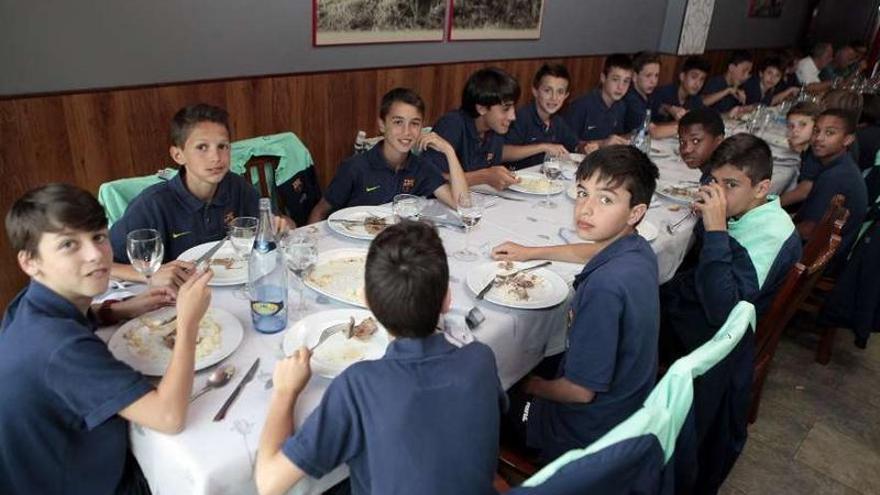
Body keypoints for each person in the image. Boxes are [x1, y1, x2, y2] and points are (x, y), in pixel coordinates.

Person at [255, 221, 506, 495]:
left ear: (365, 300)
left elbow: (269, 482)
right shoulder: (481, 358)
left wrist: (284, 392)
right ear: (447, 298)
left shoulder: (358, 385)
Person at [0, 183, 213, 495]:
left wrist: (118, 310)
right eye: (68, 245)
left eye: (98, 237)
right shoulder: (61, 348)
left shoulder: (29, 304)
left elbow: (73, 319)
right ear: (30, 262)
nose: (95, 255)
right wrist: (188, 321)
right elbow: (169, 417)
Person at [500, 145, 660, 462]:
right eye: (583, 192)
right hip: (627, 408)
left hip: (585, 433)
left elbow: (579, 392)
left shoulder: (605, 288)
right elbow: (594, 252)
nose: (585, 209)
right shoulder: (638, 250)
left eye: (606, 199)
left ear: (635, 212)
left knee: (488, 398)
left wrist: (530, 385)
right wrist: (530, 252)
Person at [660, 134, 802, 359]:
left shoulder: (770, 236)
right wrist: (709, 222)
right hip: (698, 301)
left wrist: (716, 229)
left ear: (761, 188)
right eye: (715, 181)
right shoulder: (752, 210)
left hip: (712, 341)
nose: (719, 193)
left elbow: (721, 312)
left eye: (731, 185)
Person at [109, 104, 264, 288]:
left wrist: (280, 225)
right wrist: (150, 275)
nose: (216, 157)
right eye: (202, 147)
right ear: (178, 155)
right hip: (176, 300)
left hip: (234, 288)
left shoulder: (236, 187)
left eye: (222, 146)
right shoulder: (153, 204)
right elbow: (103, 263)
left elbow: (271, 229)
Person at [307, 88, 468, 222]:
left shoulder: (421, 168)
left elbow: (463, 205)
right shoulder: (355, 168)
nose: (407, 132)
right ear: (382, 125)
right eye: (398, 122)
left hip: (398, 248)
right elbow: (320, 211)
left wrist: (449, 151)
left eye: (414, 123)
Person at [423, 67, 521, 190]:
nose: (513, 116)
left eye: (513, 108)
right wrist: (484, 176)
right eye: (505, 109)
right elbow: (429, 179)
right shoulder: (452, 125)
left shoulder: (495, 130)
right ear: (482, 108)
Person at [795, 109, 868, 273]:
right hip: (826, 253)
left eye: (830, 133)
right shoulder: (842, 165)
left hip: (815, 260)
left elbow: (808, 230)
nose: (818, 138)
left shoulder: (835, 177)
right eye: (816, 131)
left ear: (848, 139)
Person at [502, 64, 582, 169]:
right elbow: (502, 153)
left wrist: (585, 147)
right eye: (547, 90)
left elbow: (575, 145)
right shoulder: (520, 117)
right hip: (516, 180)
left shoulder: (557, 121)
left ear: (566, 96)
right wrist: (543, 147)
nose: (554, 98)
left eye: (560, 92)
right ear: (535, 91)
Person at [563, 54, 633, 148]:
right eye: (615, 79)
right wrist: (601, 143)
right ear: (603, 78)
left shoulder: (621, 106)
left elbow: (616, 137)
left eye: (626, 81)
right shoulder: (581, 106)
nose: (621, 87)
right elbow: (568, 144)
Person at [624, 51, 678, 139]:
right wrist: (683, 126)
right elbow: (653, 132)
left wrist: (670, 109)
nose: (654, 81)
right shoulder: (630, 98)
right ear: (634, 76)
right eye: (648, 76)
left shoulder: (647, 93)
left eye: (656, 75)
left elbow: (659, 107)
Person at [780, 102, 822, 208]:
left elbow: (802, 192)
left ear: (816, 127)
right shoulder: (809, 146)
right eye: (791, 126)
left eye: (803, 124)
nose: (795, 130)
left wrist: (770, 206)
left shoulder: (815, 154)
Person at [652, 56, 711, 123]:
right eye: (694, 77)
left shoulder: (696, 99)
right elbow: (659, 106)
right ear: (682, 76)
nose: (697, 84)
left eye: (702, 79)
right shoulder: (663, 92)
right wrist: (670, 109)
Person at [701, 50, 753, 116]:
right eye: (744, 71)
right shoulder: (716, 82)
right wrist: (728, 91)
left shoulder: (739, 86)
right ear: (731, 68)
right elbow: (702, 102)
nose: (746, 76)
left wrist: (744, 108)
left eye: (749, 72)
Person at [678, 108, 725, 174]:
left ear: (719, 141)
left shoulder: (721, 177)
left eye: (695, 141)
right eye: (682, 142)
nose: (686, 150)